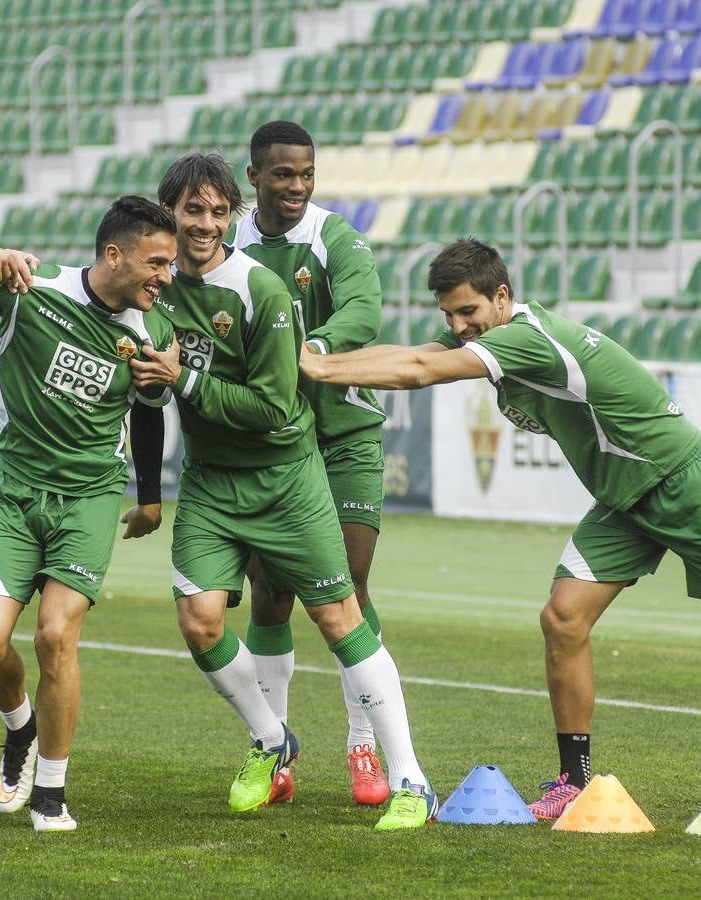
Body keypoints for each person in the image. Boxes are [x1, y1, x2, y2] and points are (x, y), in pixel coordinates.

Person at [299, 237, 701, 821]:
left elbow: (421, 370)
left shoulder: (529, 339)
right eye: (448, 314)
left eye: (467, 312)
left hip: (686, 484)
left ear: (502, 297)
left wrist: (313, 364)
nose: (458, 326)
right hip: (626, 499)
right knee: (562, 619)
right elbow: (415, 351)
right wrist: (315, 360)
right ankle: (574, 780)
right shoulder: (491, 334)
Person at [129, 152, 436, 830]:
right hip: (209, 485)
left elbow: (271, 406)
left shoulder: (260, 289)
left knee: (339, 617)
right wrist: (148, 490)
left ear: (232, 215)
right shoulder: (153, 291)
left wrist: (182, 381)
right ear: (168, 213)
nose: (204, 225)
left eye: (217, 212)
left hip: (285, 478)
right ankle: (271, 740)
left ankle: (410, 778)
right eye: (191, 211)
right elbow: (142, 396)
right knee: (200, 620)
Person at [0, 196, 176, 833]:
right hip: (16, 497)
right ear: (114, 254)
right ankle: (20, 728)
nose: (166, 275)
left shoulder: (152, 328)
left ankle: (51, 792)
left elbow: (149, 409)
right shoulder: (25, 289)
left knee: (55, 635)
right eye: (156, 262)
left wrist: (152, 494)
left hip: (89, 500)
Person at [232, 120, 392, 805]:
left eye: (305, 175)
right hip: (270, 443)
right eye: (281, 175)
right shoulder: (227, 239)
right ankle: (271, 749)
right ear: (254, 177)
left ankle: (363, 743)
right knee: (270, 591)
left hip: (345, 434)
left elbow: (365, 309)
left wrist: (312, 347)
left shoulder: (333, 237)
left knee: (347, 588)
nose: (295, 187)